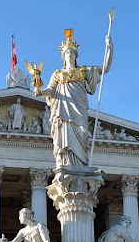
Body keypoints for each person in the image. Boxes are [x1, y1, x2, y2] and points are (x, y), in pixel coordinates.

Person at [38, 29, 113, 168]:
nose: (70, 55)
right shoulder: (58, 74)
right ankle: (66, 167)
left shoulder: (83, 72)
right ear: (63, 56)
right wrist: (40, 92)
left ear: (76, 55)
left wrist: (109, 48)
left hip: (79, 109)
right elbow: (51, 90)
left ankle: (81, 167)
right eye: (67, 53)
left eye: (72, 53)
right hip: (63, 113)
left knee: (84, 134)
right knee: (64, 142)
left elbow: (105, 68)